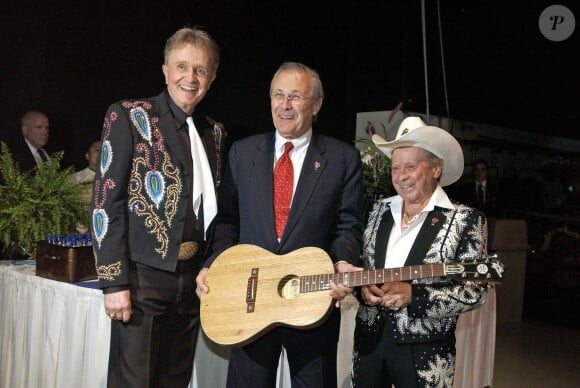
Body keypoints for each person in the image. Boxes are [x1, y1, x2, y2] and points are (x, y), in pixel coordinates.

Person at [196, 61, 364, 387]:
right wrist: (214, 264)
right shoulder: (242, 154)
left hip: (313, 304)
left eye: (295, 97)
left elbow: (349, 223)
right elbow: (228, 221)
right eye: (278, 95)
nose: (284, 106)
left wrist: (343, 259)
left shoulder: (342, 159)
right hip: (250, 301)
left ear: (315, 105)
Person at [90, 26, 226, 388]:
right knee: (134, 382)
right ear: (165, 70)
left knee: (175, 380)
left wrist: (211, 264)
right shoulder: (129, 115)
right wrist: (113, 281)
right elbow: (106, 202)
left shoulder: (214, 132)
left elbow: (219, 212)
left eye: (200, 70)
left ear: (211, 78)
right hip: (142, 281)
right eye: (181, 66)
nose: (190, 77)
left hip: (192, 284)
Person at [351, 116, 490, 387]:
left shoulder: (465, 220)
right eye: (395, 167)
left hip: (425, 353)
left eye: (410, 167)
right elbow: (362, 264)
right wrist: (362, 288)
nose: (400, 176)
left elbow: (475, 291)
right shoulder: (380, 209)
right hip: (369, 344)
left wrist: (414, 295)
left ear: (436, 168)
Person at [71, 138, 101, 202]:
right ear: (87, 155)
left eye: (104, 150)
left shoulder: (116, 179)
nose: (101, 153)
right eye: (97, 150)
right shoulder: (74, 179)